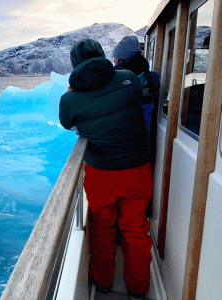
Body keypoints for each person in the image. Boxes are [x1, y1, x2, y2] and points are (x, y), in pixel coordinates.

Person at [59, 39, 153, 300]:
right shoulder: (129, 79)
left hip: (100, 172)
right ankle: (137, 290)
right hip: (136, 169)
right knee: (135, 230)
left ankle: (102, 284)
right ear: (102, 55)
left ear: (75, 64)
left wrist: (73, 90)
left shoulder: (69, 99)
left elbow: (67, 122)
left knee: (102, 228)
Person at [113, 36, 161, 166]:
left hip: (119, 147)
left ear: (119, 59)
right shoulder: (153, 78)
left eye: (115, 58)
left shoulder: (113, 79)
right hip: (145, 142)